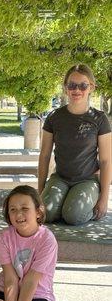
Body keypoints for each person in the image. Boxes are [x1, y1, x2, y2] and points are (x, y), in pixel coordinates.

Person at [38, 64, 112, 225]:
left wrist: (104, 197)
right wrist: (40, 190)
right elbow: (44, 155)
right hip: (60, 178)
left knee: (74, 216)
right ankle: (66, 203)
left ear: (91, 87)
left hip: (87, 180)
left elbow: (106, 161)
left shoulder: (99, 119)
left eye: (83, 85)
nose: (77, 90)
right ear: (65, 88)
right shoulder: (54, 117)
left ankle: (81, 203)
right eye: (72, 85)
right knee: (46, 214)